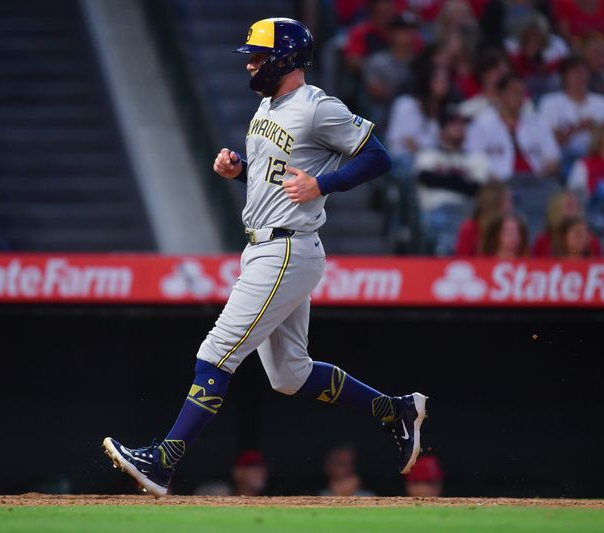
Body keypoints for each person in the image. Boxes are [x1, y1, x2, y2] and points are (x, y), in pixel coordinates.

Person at [102, 18, 428, 498]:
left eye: (257, 54)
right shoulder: (266, 106)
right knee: (290, 375)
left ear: (286, 58)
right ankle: (395, 410)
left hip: (287, 247)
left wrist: (324, 183)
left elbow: (379, 157)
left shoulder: (316, 106)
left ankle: (164, 461)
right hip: (267, 244)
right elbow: (275, 179)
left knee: (217, 353)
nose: (251, 62)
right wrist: (241, 172)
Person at [414, 104, 490, 254]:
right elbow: (426, 178)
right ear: (441, 130)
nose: (459, 128)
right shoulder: (428, 154)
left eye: (462, 124)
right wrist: (461, 182)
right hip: (436, 211)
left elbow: (477, 189)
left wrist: (444, 179)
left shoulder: (477, 158)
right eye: (453, 124)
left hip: (467, 211)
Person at [465, 74, 560, 181]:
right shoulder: (481, 124)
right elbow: (472, 158)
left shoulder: (537, 122)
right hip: (498, 183)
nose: (520, 96)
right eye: (515, 92)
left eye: (522, 92)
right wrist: (491, 179)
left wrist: (543, 173)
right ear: (501, 95)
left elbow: (553, 157)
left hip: (535, 180)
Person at [538, 56, 604, 168]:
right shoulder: (550, 102)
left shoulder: (602, 102)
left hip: (595, 157)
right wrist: (576, 129)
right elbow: (546, 141)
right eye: (576, 72)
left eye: (584, 72)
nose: (580, 76)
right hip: (563, 158)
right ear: (565, 76)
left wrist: (595, 131)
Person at [386, 60, 450, 162]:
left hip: (430, 161)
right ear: (427, 81)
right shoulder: (406, 104)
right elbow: (409, 143)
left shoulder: (443, 110)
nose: (444, 85)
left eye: (446, 81)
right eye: (439, 81)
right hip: (402, 160)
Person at [532, 191, 602, 257]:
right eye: (569, 206)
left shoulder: (592, 241)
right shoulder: (543, 241)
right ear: (555, 209)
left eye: (575, 206)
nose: (572, 212)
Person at [455, 181, 512, 256]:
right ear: (495, 201)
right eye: (507, 199)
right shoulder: (470, 228)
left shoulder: (511, 227)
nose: (511, 204)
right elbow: (462, 260)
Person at [458, 48, 510, 119]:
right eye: (496, 69)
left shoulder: (522, 106)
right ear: (483, 74)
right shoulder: (467, 110)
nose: (501, 76)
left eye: (504, 72)